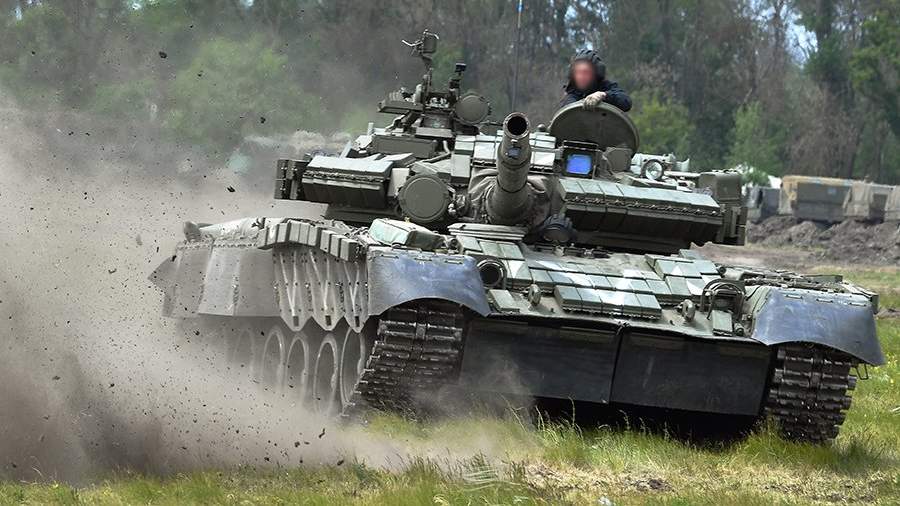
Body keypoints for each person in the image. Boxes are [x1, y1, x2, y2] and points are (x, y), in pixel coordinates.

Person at [561, 49, 632, 112]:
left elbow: (626, 102)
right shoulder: (571, 94)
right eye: (578, 72)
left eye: (586, 72)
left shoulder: (606, 86)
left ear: (596, 73)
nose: (581, 76)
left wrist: (603, 95)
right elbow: (567, 113)